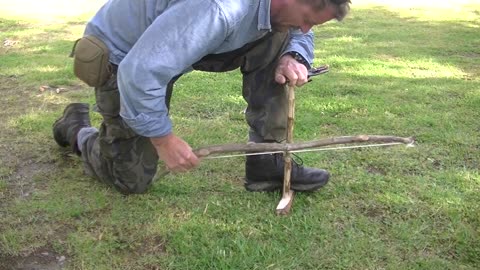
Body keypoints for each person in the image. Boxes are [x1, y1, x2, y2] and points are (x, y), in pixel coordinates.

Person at [53, 0, 351, 194]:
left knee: (282, 37)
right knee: (130, 179)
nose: (306, 29)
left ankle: (266, 159)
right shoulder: (220, 8)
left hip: (176, 42)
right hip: (123, 53)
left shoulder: (277, 12)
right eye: (307, 19)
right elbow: (139, 71)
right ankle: (76, 128)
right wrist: (163, 140)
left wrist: (294, 55)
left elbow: (296, 31)